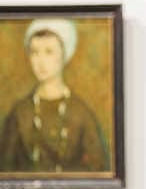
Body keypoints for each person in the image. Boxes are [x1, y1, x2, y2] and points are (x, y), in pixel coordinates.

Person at [0, 18, 110, 173]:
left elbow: (98, 169)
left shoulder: (81, 113)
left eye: (49, 52)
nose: (41, 62)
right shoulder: (19, 113)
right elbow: (6, 169)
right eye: (34, 52)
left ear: (63, 55)